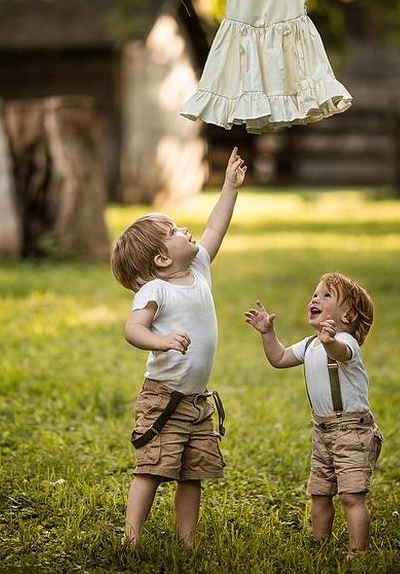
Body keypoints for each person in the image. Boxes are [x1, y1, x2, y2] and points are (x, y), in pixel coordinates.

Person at [111, 147, 247, 547]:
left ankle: (186, 540)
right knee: (151, 468)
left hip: (197, 399)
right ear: (161, 258)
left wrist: (229, 187)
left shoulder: (198, 269)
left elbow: (215, 229)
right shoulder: (157, 288)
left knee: (193, 473)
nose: (183, 230)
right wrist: (162, 340)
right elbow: (133, 329)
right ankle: (130, 537)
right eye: (173, 232)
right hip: (163, 398)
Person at [245, 273, 383, 557]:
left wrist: (330, 340)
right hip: (323, 430)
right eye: (315, 294)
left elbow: (341, 352)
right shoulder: (310, 345)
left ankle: (358, 552)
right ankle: (319, 544)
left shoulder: (345, 342)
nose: (315, 299)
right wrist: (268, 334)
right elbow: (279, 359)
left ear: (348, 315)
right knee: (319, 492)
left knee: (350, 495)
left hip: (352, 431)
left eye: (326, 296)